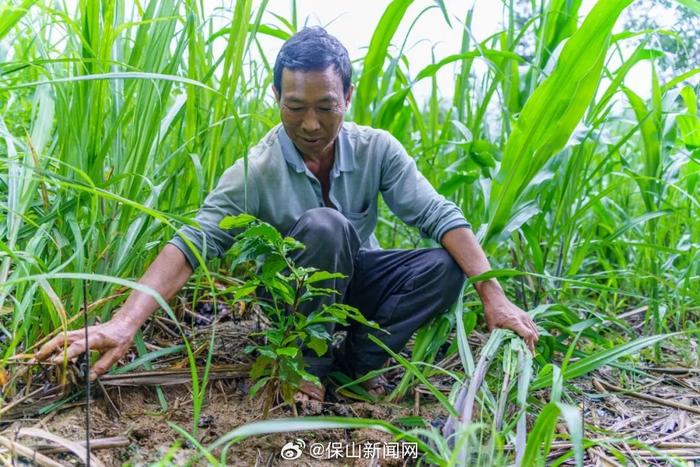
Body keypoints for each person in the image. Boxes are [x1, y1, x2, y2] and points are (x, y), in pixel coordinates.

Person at [36, 27, 538, 402]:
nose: (312, 124)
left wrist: (494, 296)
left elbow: (439, 214)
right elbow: (192, 244)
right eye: (295, 107)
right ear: (277, 97)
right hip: (290, 294)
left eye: (327, 106)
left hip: (353, 279)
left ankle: (353, 370)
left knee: (448, 266)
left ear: (348, 98)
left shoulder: (377, 149)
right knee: (325, 225)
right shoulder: (254, 171)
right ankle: (305, 367)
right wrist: (124, 324)